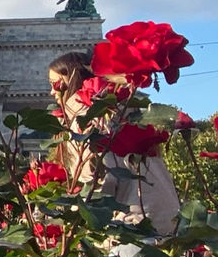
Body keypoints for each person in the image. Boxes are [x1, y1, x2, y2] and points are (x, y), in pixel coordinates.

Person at [47, 50, 180, 235]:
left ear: (74, 80)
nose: (52, 90)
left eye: (56, 83)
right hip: (166, 216)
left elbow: (94, 178)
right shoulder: (130, 107)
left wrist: (76, 218)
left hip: (129, 223)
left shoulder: (83, 116)